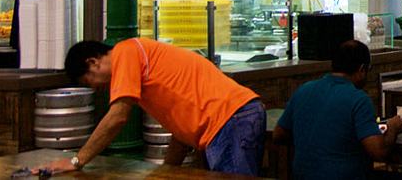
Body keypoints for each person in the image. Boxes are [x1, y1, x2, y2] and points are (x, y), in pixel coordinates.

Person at [46, 39, 265, 175]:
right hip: (235, 118)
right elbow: (181, 135)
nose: (94, 88)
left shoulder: (126, 52)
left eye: (88, 81)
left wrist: (77, 161)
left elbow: (117, 117)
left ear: (93, 63)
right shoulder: (142, 70)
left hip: (231, 119)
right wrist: (166, 173)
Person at [273, 40, 402, 180]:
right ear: (361, 69)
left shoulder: (304, 90)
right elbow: (379, 151)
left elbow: (278, 135)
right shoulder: (359, 99)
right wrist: (393, 127)